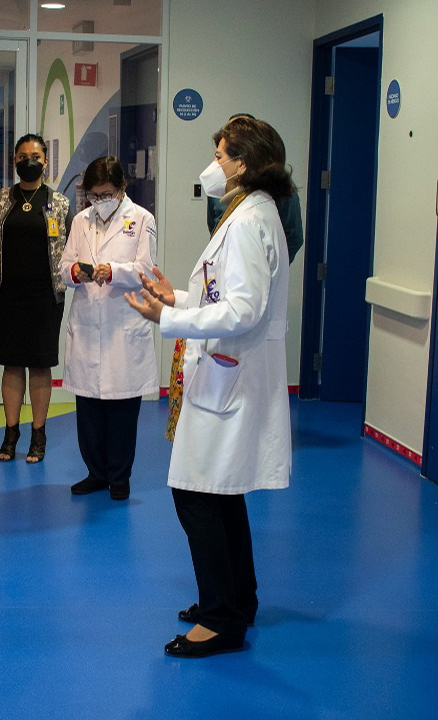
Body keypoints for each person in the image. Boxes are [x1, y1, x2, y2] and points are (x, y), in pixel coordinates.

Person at [126, 116, 294, 658]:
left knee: (198, 492)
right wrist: (174, 298)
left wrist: (167, 320)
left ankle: (222, 619)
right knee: (219, 493)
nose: (214, 166)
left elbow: (242, 310)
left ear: (243, 162)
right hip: (229, 373)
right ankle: (236, 600)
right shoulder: (250, 212)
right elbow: (223, 293)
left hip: (231, 376)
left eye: (221, 156)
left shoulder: (248, 222)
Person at [59, 156, 157, 501]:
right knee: (88, 409)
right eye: (93, 196)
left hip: (123, 324)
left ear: (121, 189)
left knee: (120, 411)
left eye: (105, 194)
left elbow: (146, 270)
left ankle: (119, 478)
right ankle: (95, 473)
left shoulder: (142, 219)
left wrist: (112, 271)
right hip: (87, 323)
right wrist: (74, 274)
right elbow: (64, 265)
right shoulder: (81, 221)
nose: (98, 202)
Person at [0, 133, 70, 463]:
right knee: (11, 364)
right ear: (14, 162)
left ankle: (38, 435)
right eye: (22, 156)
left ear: (46, 161)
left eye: (35, 155)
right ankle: (10, 434)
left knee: (39, 365)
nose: (28, 161)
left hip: (45, 297)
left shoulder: (60, 203)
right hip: (7, 295)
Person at [206, 113, 304, 263]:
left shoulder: (247, 222)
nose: (215, 163)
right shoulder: (219, 187)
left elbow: (293, 235)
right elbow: (214, 226)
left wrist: (273, 264)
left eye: (219, 157)